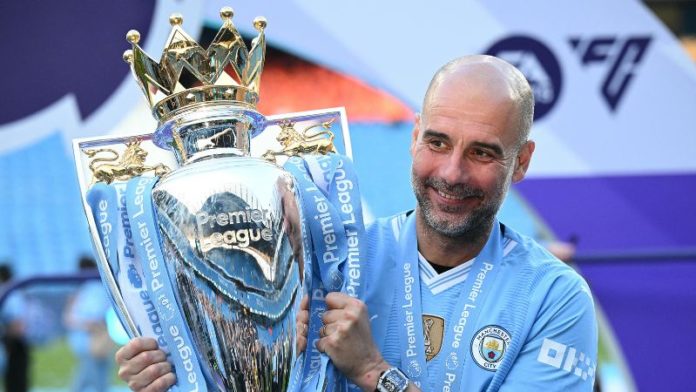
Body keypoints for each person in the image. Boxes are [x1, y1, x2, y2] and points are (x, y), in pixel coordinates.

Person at [115, 55, 598, 391]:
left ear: (521, 161)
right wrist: (186, 374)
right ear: (413, 138)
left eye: (483, 152)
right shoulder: (332, 261)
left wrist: (373, 372)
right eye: (438, 142)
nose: (452, 173)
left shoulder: (554, 297)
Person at [64, 256, 116, 392]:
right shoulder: (97, 288)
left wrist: (78, 322)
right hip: (94, 342)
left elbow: (92, 317)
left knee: (86, 381)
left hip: (90, 343)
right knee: (97, 381)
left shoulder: (91, 290)